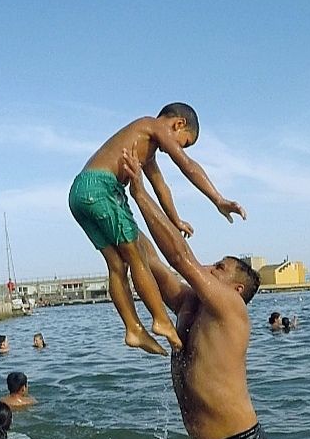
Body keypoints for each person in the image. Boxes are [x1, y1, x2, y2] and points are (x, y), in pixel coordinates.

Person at [123, 149, 271, 439]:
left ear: (236, 287)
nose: (207, 268)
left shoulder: (231, 309)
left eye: (218, 268)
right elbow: (155, 261)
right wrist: (116, 210)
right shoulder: (190, 304)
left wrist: (142, 193)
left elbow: (180, 256)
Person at [69, 103, 246, 356]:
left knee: (117, 266)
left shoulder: (145, 149)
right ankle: (161, 320)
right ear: (178, 124)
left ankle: (133, 328)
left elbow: (161, 187)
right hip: (102, 189)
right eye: (182, 142)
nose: (177, 148)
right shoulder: (151, 125)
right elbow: (187, 165)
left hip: (80, 193)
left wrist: (176, 220)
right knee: (137, 255)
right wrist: (218, 199)